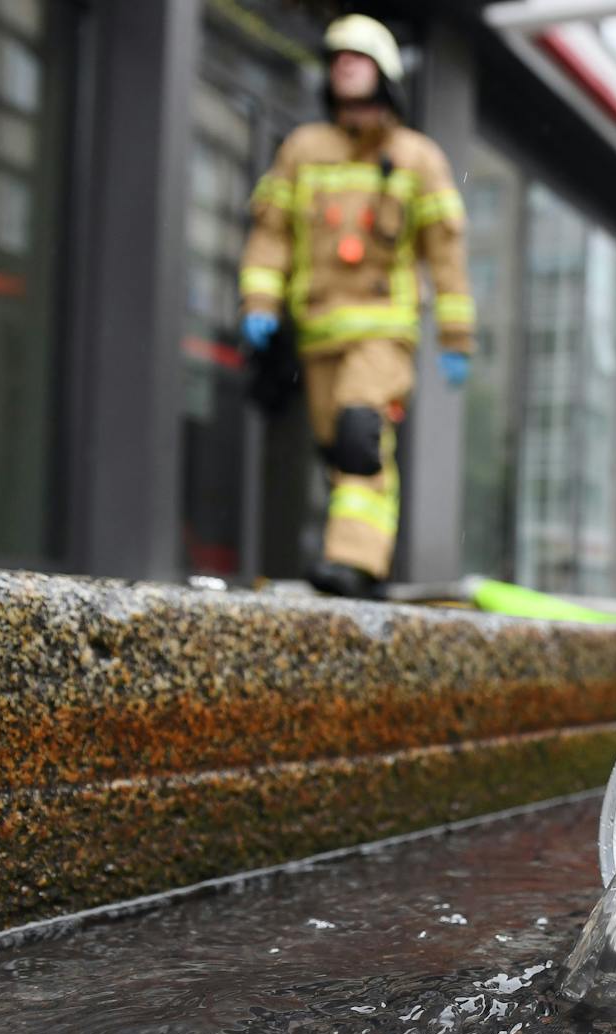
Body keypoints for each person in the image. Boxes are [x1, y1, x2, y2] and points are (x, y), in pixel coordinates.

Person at [238, 15, 475, 597]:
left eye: (357, 56)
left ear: (386, 73)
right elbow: (271, 232)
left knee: (359, 431)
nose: (343, 64)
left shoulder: (416, 158)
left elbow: (445, 251)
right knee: (337, 452)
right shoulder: (303, 150)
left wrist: (456, 336)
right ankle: (360, 562)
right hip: (318, 330)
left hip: (382, 330)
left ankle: (356, 562)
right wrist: (260, 299)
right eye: (336, 56)